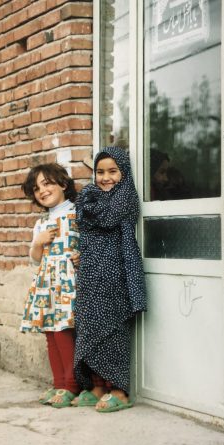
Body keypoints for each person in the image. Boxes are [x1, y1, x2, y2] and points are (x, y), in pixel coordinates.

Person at [73, 146, 146, 412]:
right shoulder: (91, 198)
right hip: (92, 273)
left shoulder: (125, 197)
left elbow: (106, 220)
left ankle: (119, 391)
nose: (105, 178)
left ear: (124, 172)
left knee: (113, 329)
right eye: (100, 172)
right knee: (90, 325)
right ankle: (97, 386)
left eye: (112, 171)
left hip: (116, 273)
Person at [20, 163, 80, 408]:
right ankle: (58, 384)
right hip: (46, 283)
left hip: (68, 281)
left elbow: (89, 245)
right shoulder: (41, 222)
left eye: (47, 184)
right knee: (50, 333)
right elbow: (34, 258)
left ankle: (72, 385)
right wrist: (38, 242)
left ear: (63, 184)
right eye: (36, 189)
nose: (42, 191)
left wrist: (82, 255)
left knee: (63, 331)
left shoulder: (78, 213)